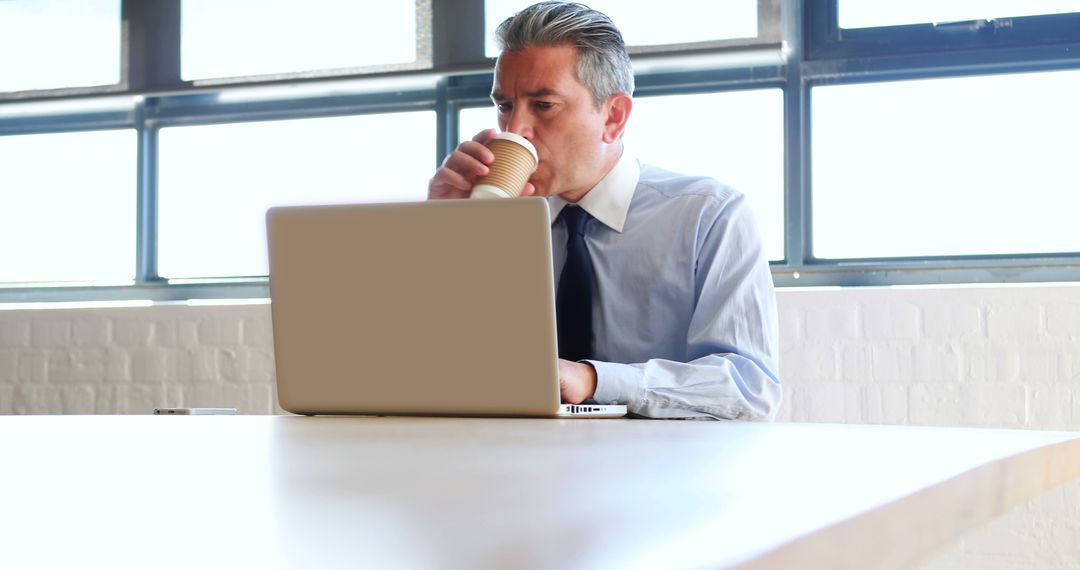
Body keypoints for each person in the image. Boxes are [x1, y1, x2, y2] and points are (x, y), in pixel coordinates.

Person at [428, 1, 781, 420]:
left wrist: (594, 380)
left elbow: (748, 390)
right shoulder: (497, 220)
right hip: (513, 466)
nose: (515, 128)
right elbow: (438, 368)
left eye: (542, 105)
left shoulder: (709, 216)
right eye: (505, 105)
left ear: (613, 117)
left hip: (658, 473)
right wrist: (442, 236)